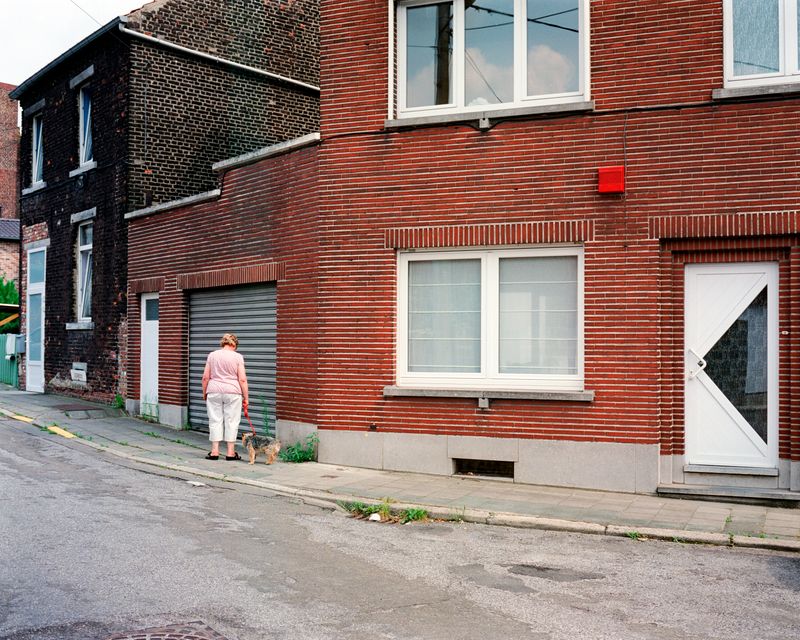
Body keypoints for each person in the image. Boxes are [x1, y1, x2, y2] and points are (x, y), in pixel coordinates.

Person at [202, 333, 249, 461]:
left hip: (214, 390)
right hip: (233, 392)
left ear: (223, 343)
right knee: (231, 421)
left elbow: (205, 377)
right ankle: (230, 453)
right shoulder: (238, 357)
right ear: (234, 344)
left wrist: (204, 392)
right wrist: (246, 398)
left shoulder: (212, 355)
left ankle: (214, 452)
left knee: (215, 420)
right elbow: (242, 379)